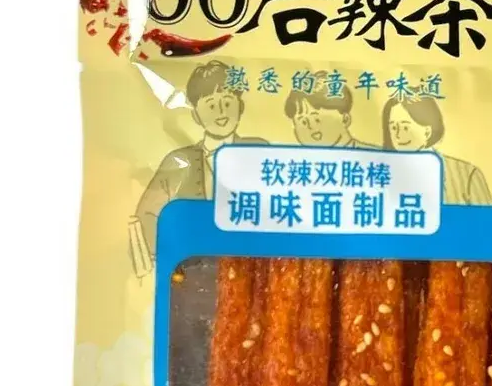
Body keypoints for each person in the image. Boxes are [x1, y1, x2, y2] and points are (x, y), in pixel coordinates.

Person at [132, 60, 267, 266]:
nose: (221, 111)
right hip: (193, 269)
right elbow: (146, 217)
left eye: (228, 102)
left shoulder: (259, 150)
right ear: (195, 114)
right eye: (211, 105)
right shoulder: (179, 160)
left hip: (249, 266)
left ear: (240, 107)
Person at [382, 90, 492, 206]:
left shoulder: (468, 175)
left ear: (427, 131)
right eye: (393, 128)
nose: (397, 135)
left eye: (405, 128)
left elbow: (487, 217)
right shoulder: (382, 174)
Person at [284, 72, 374, 148]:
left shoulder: (370, 155)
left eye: (317, 120)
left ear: (345, 120)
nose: (310, 127)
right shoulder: (294, 161)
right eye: (303, 122)